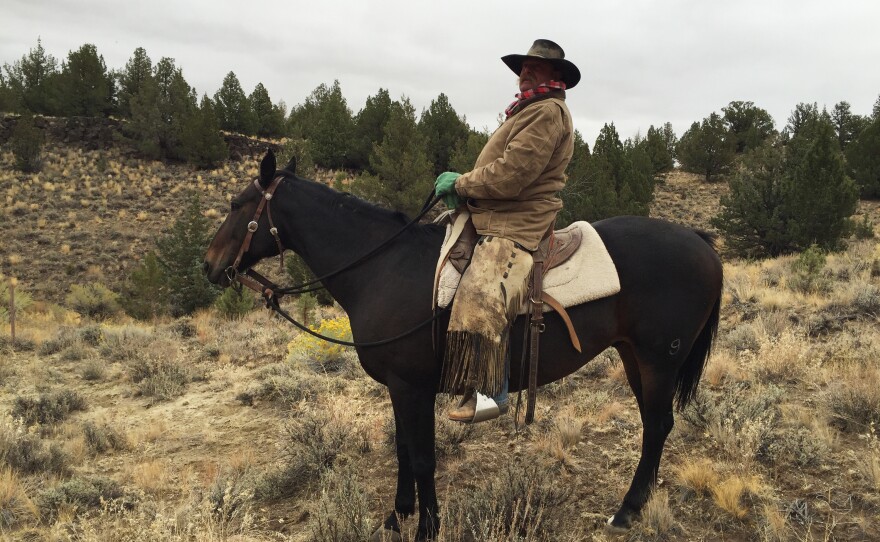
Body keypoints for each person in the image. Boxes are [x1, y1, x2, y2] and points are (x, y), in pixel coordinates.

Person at [434, 39, 579, 423]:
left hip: (518, 221)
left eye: (536, 66)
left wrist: (462, 184)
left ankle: (489, 391)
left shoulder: (547, 111)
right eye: (523, 66)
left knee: (483, 286)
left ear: (556, 75)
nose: (524, 72)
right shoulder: (527, 110)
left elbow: (512, 175)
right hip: (496, 212)